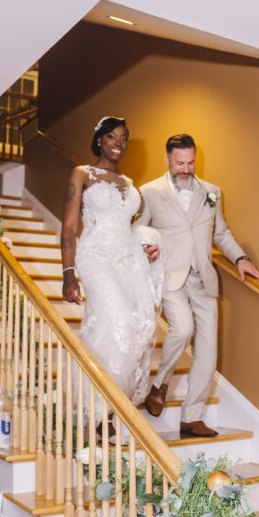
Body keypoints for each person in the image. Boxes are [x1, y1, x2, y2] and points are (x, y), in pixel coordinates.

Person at [137, 134, 259, 437]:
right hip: (169, 274)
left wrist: (240, 258)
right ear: (167, 159)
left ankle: (191, 418)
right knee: (181, 329)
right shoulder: (149, 192)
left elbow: (221, 233)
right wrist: (145, 247)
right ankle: (160, 384)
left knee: (207, 350)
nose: (186, 168)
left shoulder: (212, 192)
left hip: (204, 277)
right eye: (180, 162)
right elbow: (138, 229)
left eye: (191, 162)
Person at [61, 116, 162, 408]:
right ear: (99, 140)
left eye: (123, 138)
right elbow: (69, 227)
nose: (117, 144)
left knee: (136, 326)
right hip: (94, 257)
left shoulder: (129, 184)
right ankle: (99, 407)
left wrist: (144, 248)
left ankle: (111, 405)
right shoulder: (82, 174)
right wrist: (68, 272)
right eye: (111, 137)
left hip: (127, 261)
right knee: (118, 320)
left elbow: (127, 229)